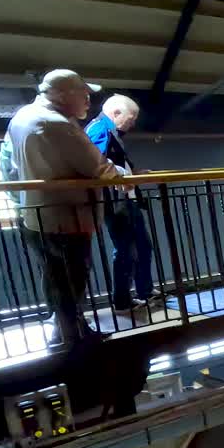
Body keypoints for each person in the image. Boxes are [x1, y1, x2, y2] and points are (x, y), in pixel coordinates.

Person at [7, 69, 123, 346]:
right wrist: (121, 175)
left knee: (57, 279)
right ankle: (72, 338)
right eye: (83, 92)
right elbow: (99, 168)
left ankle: (68, 332)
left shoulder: (22, 117)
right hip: (66, 217)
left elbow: (11, 169)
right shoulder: (56, 123)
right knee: (73, 279)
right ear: (62, 94)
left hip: (35, 216)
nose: (88, 99)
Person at [86, 94, 160, 315]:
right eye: (131, 117)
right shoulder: (100, 129)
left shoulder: (109, 131)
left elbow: (110, 162)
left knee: (142, 246)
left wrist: (134, 173)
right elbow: (95, 162)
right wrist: (124, 177)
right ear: (116, 113)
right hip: (115, 201)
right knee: (127, 250)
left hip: (123, 199)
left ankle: (144, 292)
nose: (134, 122)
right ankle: (122, 301)